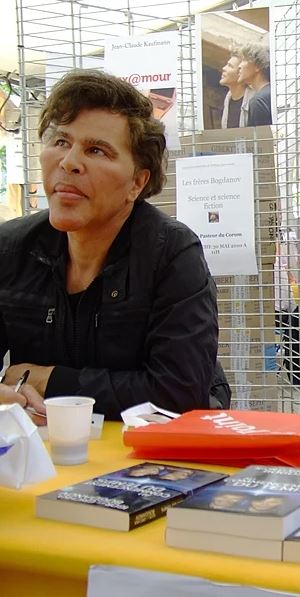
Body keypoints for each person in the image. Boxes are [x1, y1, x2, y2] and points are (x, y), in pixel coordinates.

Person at [0, 69, 224, 422]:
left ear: (137, 182)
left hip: (152, 450)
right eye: (60, 141)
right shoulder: (11, 249)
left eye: (96, 150)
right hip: (47, 448)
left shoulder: (171, 254)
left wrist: (51, 381)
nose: (69, 162)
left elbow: (179, 394)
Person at [238, 40, 272, 126]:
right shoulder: (273, 93)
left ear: (257, 66)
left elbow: (261, 134)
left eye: (244, 60)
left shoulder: (258, 101)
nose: (239, 66)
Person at [219, 50, 251, 129]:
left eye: (230, 66)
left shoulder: (253, 100)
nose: (224, 68)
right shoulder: (228, 99)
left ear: (240, 72)